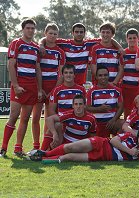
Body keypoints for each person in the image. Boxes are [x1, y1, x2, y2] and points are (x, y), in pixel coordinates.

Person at [0, 19, 42, 157]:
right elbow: (11, 65)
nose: (30, 30)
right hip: (19, 85)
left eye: (32, 28)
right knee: (13, 116)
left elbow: (37, 69)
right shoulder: (16, 43)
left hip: (31, 87)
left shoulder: (36, 47)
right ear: (23, 29)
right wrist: (15, 85)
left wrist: (39, 88)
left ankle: (18, 148)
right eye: (28, 28)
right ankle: (3, 147)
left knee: (25, 118)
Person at [29, 125, 139, 163]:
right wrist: (129, 151)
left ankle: (43, 159)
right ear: (138, 134)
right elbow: (113, 140)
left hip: (103, 157)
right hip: (101, 144)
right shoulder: (129, 136)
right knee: (71, 147)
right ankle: (45, 153)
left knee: (68, 157)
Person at [40, 23, 122, 86]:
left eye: (81, 32)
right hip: (67, 83)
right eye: (76, 32)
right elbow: (46, 38)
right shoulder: (65, 43)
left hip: (81, 84)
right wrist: (41, 45)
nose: (79, 34)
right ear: (72, 33)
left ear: (84, 33)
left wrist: (119, 48)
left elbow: (108, 38)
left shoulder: (89, 43)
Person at [31, 23, 66, 150]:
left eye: (55, 34)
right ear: (45, 34)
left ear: (58, 36)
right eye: (50, 33)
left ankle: (46, 147)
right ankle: (36, 146)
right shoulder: (39, 49)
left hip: (53, 87)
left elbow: (61, 73)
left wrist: (53, 91)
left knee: (49, 118)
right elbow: (37, 69)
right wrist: (40, 89)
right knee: (35, 117)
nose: (52, 36)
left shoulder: (60, 52)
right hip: (39, 87)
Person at [86, 66, 124, 137]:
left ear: (108, 76)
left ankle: (117, 144)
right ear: (96, 77)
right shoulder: (91, 91)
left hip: (112, 122)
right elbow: (87, 108)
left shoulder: (116, 90)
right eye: (100, 75)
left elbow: (121, 107)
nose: (103, 77)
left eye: (105, 75)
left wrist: (113, 120)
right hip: (97, 123)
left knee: (122, 123)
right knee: (99, 144)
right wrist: (99, 109)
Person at [120, 28, 139, 118]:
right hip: (126, 87)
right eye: (130, 38)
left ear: (138, 38)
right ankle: (126, 132)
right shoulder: (123, 53)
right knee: (127, 113)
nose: (132, 40)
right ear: (126, 39)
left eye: (134, 38)